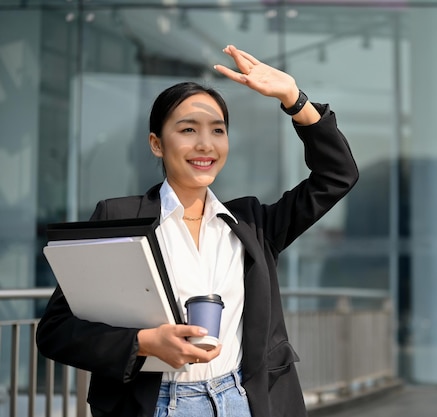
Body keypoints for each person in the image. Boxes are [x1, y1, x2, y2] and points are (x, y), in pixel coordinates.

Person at [35, 44, 359, 417]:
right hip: (158, 405)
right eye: (188, 129)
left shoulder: (252, 224)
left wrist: (294, 99)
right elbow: (56, 331)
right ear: (157, 144)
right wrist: (143, 343)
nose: (205, 144)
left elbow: (338, 176)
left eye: (217, 130)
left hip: (242, 400)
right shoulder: (119, 218)